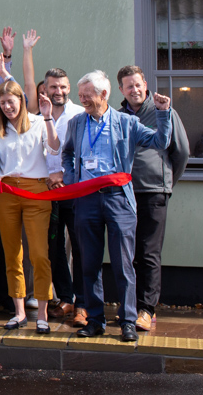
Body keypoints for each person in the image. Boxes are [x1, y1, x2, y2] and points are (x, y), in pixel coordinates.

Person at [62, 70, 172, 343]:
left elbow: (160, 142)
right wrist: (70, 176)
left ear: (104, 94)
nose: (82, 99)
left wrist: (163, 113)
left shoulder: (126, 122)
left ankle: (128, 321)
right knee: (89, 263)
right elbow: (67, 153)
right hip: (86, 200)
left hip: (118, 199)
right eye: (81, 95)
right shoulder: (77, 122)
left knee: (124, 264)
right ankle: (95, 319)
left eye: (87, 95)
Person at [117, 65, 189, 334]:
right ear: (121, 90)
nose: (134, 90)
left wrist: (166, 181)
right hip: (124, 194)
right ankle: (131, 309)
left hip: (154, 192)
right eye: (128, 86)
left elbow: (180, 152)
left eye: (137, 84)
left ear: (145, 85)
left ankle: (147, 310)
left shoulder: (162, 111)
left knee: (149, 253)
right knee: (128, 253)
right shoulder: (118, 116)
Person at [0, 79, 60, 332]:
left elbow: (54, 149)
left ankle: (42, 314)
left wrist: (49, 118)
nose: (7, 107)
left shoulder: (40, 122)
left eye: (11, 101)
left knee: (39, 254)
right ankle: (19, 312)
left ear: (21, 100)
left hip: (36, 191)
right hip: (6, 192)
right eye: (3, 103)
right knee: (12, 254)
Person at [38, 64, 89, 325]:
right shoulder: (37, 116)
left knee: (80, 248)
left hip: (75, 191)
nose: (58, 91)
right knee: (53, 248)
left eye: (62, 87)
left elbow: (82, 155)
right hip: (46, 193)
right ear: (45, 89)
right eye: (53, 87)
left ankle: (83, 301)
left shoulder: (80, 115)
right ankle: (65, 298)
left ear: (69, 89)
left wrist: (65, 177)